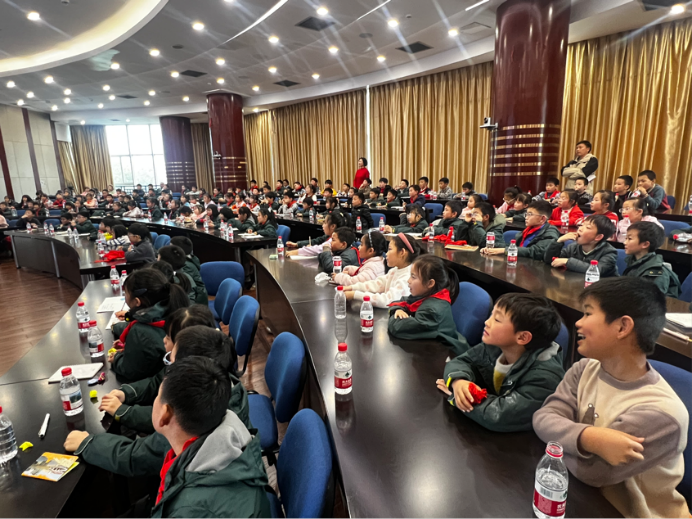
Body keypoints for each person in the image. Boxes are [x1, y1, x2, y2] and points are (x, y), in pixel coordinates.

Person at [533, 278, 689, 519]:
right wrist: (590, 438)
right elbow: (543, 418)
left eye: (588, 313)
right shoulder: (584, 369)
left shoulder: (661, 413)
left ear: (622, 327)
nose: (578, 322)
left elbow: (592, 473)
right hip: (580, 499)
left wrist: (558, 438)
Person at [66, 357, 270, 518]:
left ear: (164, 415)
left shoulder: (189, 510)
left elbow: (134, 456)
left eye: (157, 397)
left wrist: (88, 443)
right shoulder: (225, 430)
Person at [437, 293, 564, 432]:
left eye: (497, 319)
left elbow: (499, 415)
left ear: (522, 337)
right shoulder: (496, 346)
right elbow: (462, 361)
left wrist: (459, 397)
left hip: (518, 442)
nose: (487, 322)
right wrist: (459, 381)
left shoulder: (544, 377)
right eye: (491, 315)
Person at [109, 268, 190, 382]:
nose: (125, 297)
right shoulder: (177, 310)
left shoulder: (140, 331)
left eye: (125, 293)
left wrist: (116, 358)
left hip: (154, 386)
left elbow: (129, 371)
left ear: (137, 302)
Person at [388, 255, 468, 356]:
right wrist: (398, 310)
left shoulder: (432, 311)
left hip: (447, 355)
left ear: (430, 283)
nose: (408, 281)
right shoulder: (427, 294)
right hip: (431, 349)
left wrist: (394, 313)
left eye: (413, 277)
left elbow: (398, 328)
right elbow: (404, 301)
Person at [343, 233, 422, 308]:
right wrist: (352, 287)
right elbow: (377, 284)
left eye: (390, 249)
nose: (386, 254)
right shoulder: (394, 271)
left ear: (402, 252)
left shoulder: (407, 278)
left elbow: (387, 300)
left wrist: (355, 294)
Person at [482, 201, 560, 260]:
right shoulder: (528, 229)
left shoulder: (550, 232)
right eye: (526, 214)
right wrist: (492, 247)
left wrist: (505, 250)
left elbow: (536, 252)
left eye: (530, 214)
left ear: (542, 218)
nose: (526, 217)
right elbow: (513, 246)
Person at [545, 215, 619, 277]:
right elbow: (550, 261)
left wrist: (568, 261)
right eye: (582, 225)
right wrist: (558, 242)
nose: (580, 229)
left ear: (598, 237)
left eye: (588, 227)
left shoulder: (609, 252)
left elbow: (598, 270)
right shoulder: (573, 247)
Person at [622, 222, 680, 297]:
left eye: (629, 239)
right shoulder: (633, 261)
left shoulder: (656, 273)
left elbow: (651, 300)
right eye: (626, 238)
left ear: (645, 244)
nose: (625, 242)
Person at [169, 236, 208, 306]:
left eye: (170, 248)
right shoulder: (189, 260)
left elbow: (187, 289)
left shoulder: (186, 266)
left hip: (196, 304)